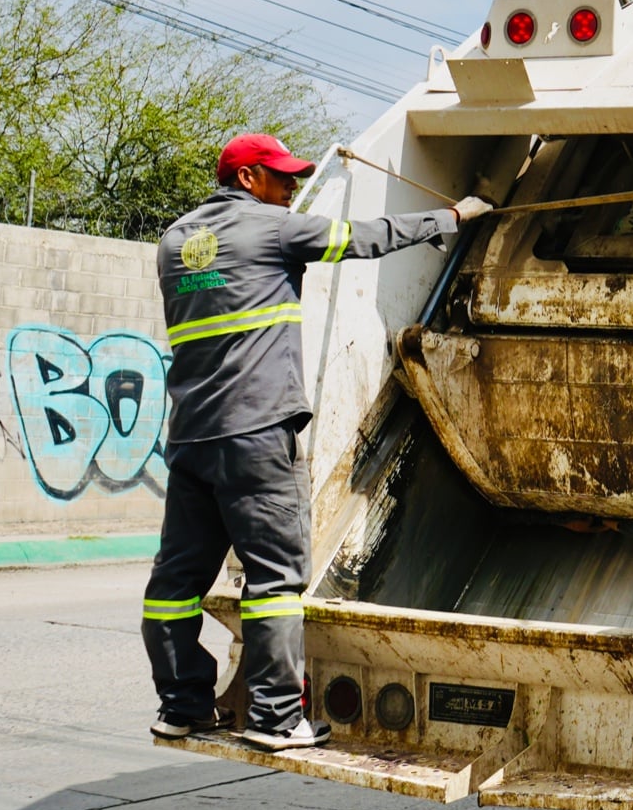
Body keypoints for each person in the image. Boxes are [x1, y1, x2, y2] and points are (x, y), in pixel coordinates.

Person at [142, 134, 492, 751]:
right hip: (256, 436)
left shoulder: (174, 242)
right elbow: (364, 238)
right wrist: (453, 216)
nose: (289, 191)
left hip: (193, 436)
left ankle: (182, 705)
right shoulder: (273, 229)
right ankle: (277, 719)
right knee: (274, 582)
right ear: (247, 178)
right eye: (280, 179)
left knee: (175, 583)